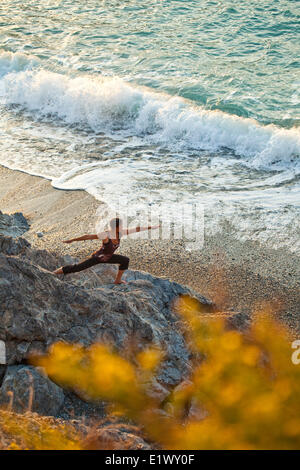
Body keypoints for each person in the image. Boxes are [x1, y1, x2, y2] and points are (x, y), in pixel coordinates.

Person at [53, 217, 160, 284]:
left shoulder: (120, 233)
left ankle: (117, 280)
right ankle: (53, 273)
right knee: (77, 268)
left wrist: (153, 227)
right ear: (116, 227)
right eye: (122, 225)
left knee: (125, 260)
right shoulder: (106, 235)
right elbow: (89, 236)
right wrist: (72, 240)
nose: (123, 227)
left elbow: (137, 229)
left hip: (108, 257)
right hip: (98, 258)